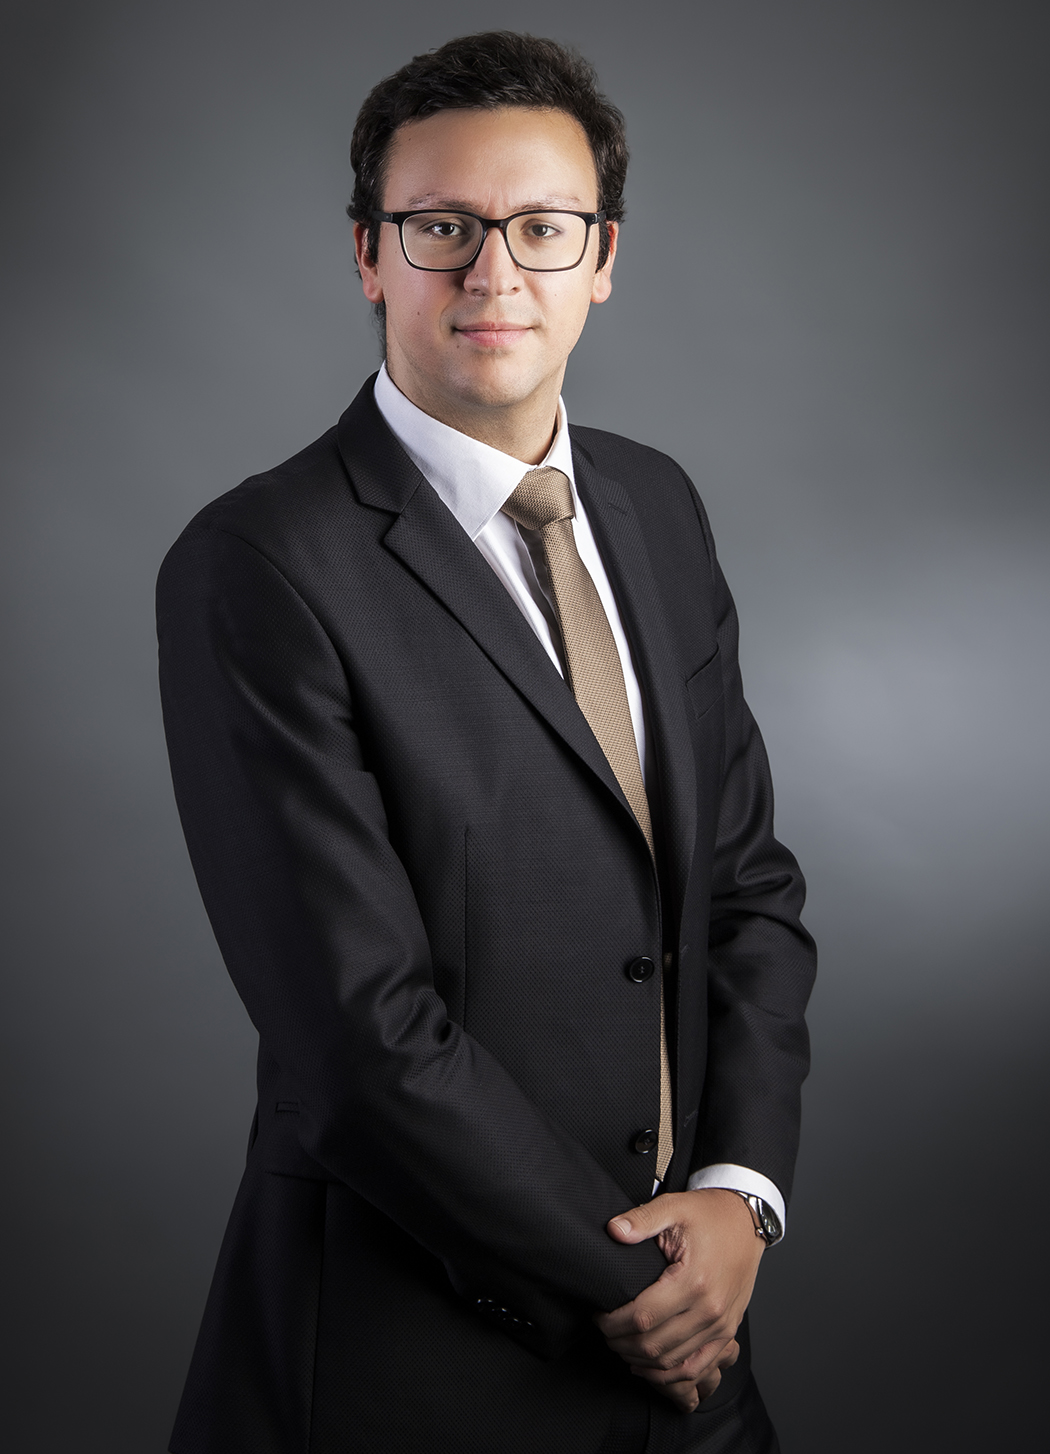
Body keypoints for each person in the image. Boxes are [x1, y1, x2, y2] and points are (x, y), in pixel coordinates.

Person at [158, 30, 816, 1454]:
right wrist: (640, 1291)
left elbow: (748, 888)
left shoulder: (656, 505)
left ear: (603, 256)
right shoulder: (260, 564)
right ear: (368, 253)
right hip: (416, 1358)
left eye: (541, 226)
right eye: (441, 226)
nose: (493, 272)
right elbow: (358, 1037)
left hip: (697, 1350)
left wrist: (739, 1196)